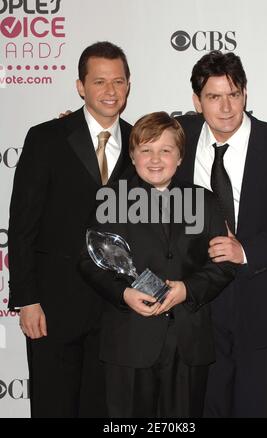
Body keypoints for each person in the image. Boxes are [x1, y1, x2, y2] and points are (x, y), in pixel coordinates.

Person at [79, 111, 236, 418]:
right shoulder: (111, 200)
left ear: (180, 158)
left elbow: (224, 264)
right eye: (146, 150)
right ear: (133, 155)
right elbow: (89, 260)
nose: (155, 159)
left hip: (188, 343)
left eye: (166, 150)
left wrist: (187, 290)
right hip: (129, 342)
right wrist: (124, 295)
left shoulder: (204, 201)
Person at [8, 41, 132, 418]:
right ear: (81, 87)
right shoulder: (46, 138)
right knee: (53, 407)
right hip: (53, 308)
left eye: (119, 81)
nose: (110, 91)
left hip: (115, 312)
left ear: (129, 85)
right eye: (99, 82)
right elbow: (22, 225)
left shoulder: (143, 144)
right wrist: (27, 299)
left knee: (104, 410)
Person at [176, 50, 267, 418]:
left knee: (252, 407)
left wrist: (244, 251)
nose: (227, 107)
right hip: (197, 302)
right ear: (197, 101)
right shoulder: (178, 136)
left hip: (259, 299)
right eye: (214, 97)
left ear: (246, 93)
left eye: (234, 94)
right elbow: (135, 150)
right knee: (203, 407)